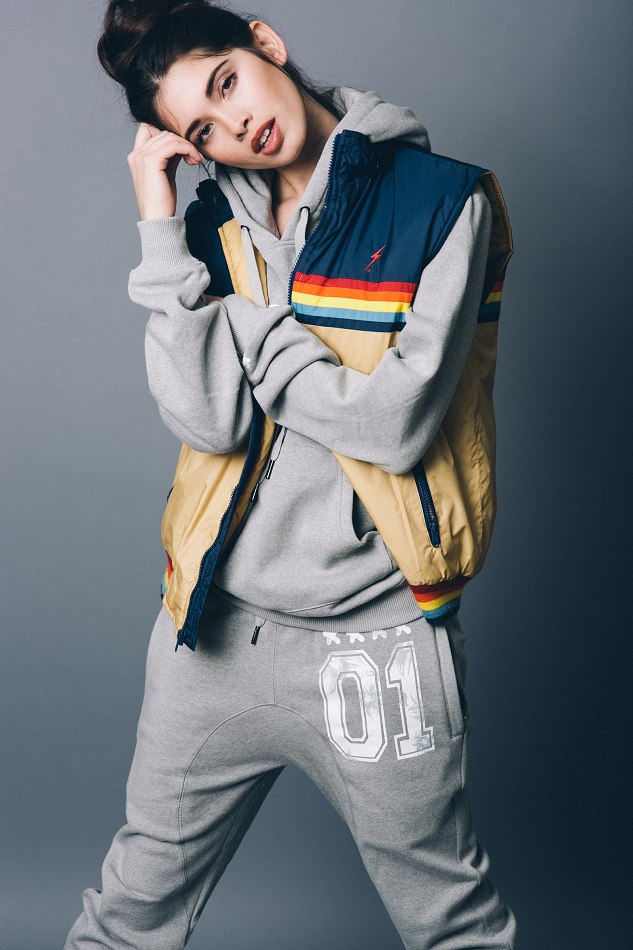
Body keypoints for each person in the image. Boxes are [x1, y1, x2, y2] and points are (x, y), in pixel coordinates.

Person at [64, 1, 517, 947]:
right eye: (201, 130)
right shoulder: (211, 229)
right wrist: (158, 224)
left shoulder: (444, 202)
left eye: (227, 82)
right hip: (213, 634)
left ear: (264, 42)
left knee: (451, 925)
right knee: (127, 917)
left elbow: (393, 423)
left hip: (376, 644)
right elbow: (206, 420)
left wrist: (251, 327)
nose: (235, 126)